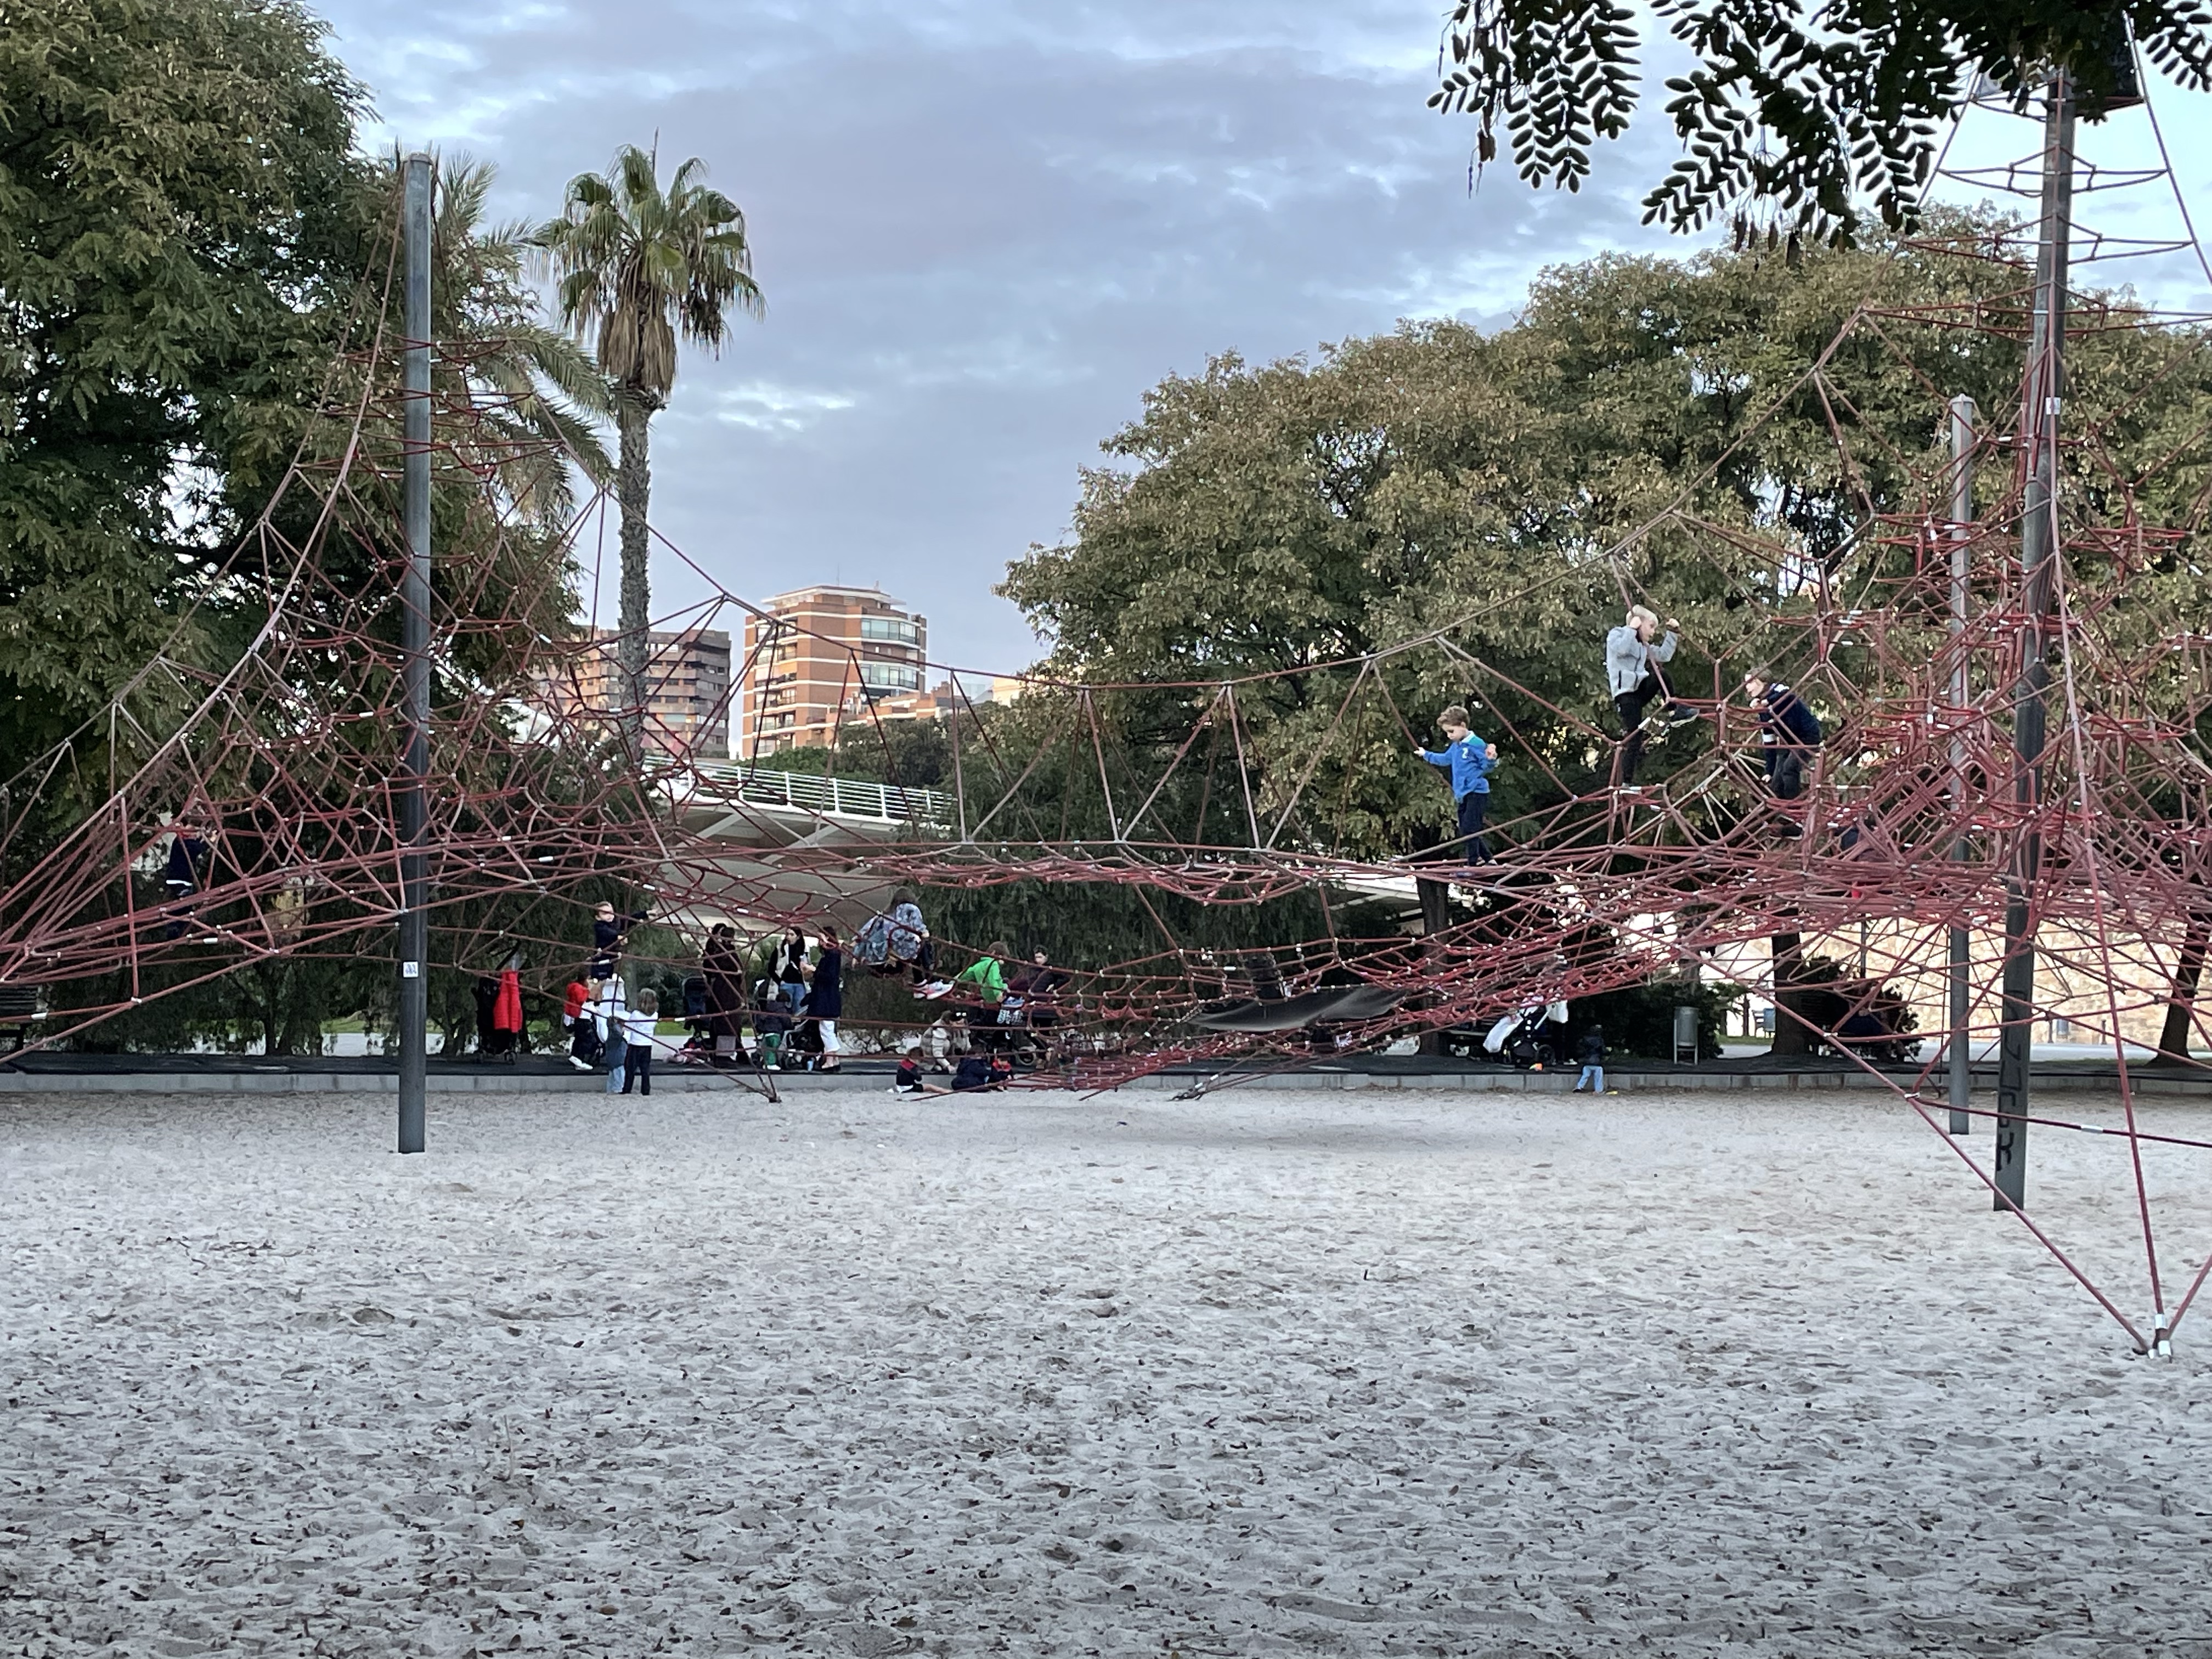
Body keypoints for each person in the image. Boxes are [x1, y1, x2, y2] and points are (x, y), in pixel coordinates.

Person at [1605, 605, 1698, 788]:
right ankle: (1626, 783)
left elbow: (1664, 655)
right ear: (1638, 623)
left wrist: (1673, 633)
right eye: (1651, 627)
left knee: (1662, 675)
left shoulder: (1644, 646)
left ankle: (1674, 712)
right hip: (1625, 695)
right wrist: (1631, 629)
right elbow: (1621, 649)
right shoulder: (1617, 635)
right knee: (1635, 737)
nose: (1654, 632)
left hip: (1639, 690)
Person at [1414, 706, 1498, 863]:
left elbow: (1487, 766)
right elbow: (1445, 759)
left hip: (1476, 791)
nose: (1449, 735)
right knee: (1465, 829)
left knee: (1471, 828)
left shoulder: (1476, 744)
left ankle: (1473, 862)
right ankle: (1488, 859)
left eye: (1452, 731)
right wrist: (1426, 755)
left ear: (1463, 725)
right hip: (1462, 793)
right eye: (1447, 732)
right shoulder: (1457, 746)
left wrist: (1490, 759)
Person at [1742, 670, 1822, 804]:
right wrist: (1769, 771)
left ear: (1762, 682)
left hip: (1807, 738)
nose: (1747, 687)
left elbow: (1787, 696)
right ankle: (1779, 811)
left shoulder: (1779, 691)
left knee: (1789, 769)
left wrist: (1766, 702)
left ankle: (1794, 807)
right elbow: (1769, 741)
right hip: (1788, 742)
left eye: (1750, 682)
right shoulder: (1763, 710)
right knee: (1776, 782)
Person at [701, 923, 746, 1063]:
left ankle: (729, 1052)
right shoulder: (724, 953)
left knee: (725, 1022)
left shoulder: (718, 953)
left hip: (722, 989)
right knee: (727, 1022)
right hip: (726, 991)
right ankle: (723, 1055)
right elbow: (738, 972)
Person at [806, 924, 844, 1073]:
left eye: (822, 939)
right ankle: (833, 1059)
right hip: (827, 997)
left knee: (827, 1029)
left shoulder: (833, 956)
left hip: (827, 998)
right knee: (827, 1029)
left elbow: (830, 977)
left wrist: (814, 970)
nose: (820, 943)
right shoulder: (832, 955)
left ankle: (830, 1060)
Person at [162, 820, 209, 940]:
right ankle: (175, 930)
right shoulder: (183, 842)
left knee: (182, 907)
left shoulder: (181, 840)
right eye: (193, 834)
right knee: (183, 907)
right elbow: (197, 849)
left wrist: (203, 838)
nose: (194, 836)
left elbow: (195, 846)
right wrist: (210, 841)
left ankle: (175, 929)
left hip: (176, 879)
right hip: (180, 880)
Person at [589, 899, 648, 981]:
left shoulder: (615, 924)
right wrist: (618, 937)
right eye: (605, 914)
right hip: (601, 962)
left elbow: (629, 920)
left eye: (611, 912)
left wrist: (645, 914)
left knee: (611, 982)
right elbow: (608, 933)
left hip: (612, 961)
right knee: (600, 983)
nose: (609, 915)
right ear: (598, 917)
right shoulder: (599, 926)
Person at [589, 977, 629, 1093]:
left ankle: (613, 1089)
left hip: (614, 1051)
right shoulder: (607, 1018)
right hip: (617, 1051)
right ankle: (617, 1088)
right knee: (618, 1071)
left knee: (614, 1071)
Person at [619, 989, 661, 1096]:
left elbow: (629, 1028)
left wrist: (622, 1024)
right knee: (645, 1069)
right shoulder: (655, 1015)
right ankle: (646, 1090)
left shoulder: (636, 1014)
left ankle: (627, 1089)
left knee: (630, 1069)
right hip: (647, 1045)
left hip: (635, 1045)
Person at [771, 926, 810, 1028]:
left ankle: (795, 1031)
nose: (789, 937)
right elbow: (771, 968)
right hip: (786, 983)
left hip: (800, 984)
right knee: (784, 1010)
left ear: (798, 937)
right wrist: (779, 981)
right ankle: (785, 1030)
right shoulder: (780, 949)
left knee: (799, 1011)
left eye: (792, 935)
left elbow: (808, 966)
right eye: (787, 934)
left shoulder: (804, 950)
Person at [753, 977, 792, 1070]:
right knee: (772, 1048)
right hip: (776, 1031)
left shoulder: (770, 1008)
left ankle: (766, 1062)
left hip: (767, 1030)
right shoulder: (782, 1010)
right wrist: (791, 1026)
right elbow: (785, 1021)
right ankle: (771, 1063)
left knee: (767, 1047)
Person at [563, 974, 596, 1070]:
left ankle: (576, 1059)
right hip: (583, 1018)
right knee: (589, 1040)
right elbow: (585, 1002)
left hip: (578, 1018)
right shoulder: (583, 991)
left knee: (579, 1039)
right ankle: (578, 1058)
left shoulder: (575, 989)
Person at [1573, 1025, 1610, 1094]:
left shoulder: (1585, 1039)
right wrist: (1608, 1052)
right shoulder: (1600, 1040)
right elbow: (1603, 1051)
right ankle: (1598, 1090)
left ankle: (1579, 1087)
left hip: (1586, 1061)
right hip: (1596, 1062)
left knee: (1585, 1076)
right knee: (1598, 1077)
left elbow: (1580, 1050)